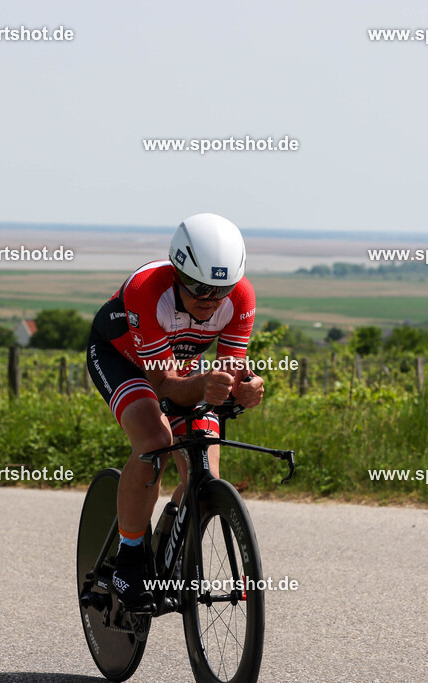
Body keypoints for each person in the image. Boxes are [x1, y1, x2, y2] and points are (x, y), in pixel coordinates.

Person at [86, 213, 264, 611]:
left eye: (222, 289)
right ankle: (130, 557)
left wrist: (245, 387)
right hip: (123, 360)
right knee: (155, 441)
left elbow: (230, 369)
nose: (210, 299)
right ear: (177, 273)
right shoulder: (147, 289)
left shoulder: (241, 298)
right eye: (199, 287)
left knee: (206, 477)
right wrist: (203, 384)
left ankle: (169, 540)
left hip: (178, 366)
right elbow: (163, 385)